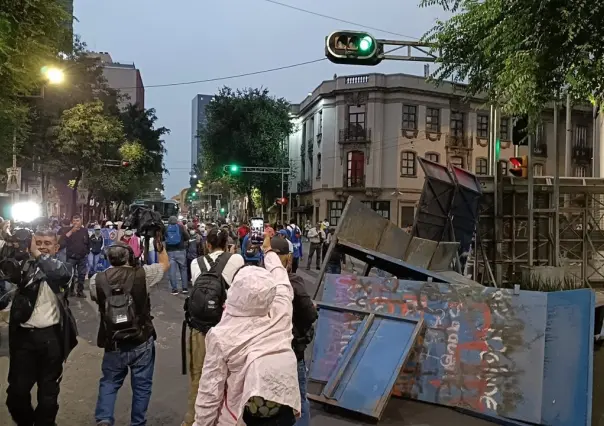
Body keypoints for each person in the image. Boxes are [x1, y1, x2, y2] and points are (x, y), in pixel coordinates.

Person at [193, 234, 300, 426]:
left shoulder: (222, 336)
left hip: (237, 418)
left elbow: (210, 391)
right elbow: (281, 279)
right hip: (282, 413)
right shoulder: (280, 313)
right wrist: (269, 252)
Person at [89, 239, 170, 426]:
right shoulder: (143, 275)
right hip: (141, 339)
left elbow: (97, 298)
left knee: (109, 381)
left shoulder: (96, 280)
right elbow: (165, 264)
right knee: (142, 386)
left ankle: (104, 418)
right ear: (130, 257)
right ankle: (137, 422)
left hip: (113, 340)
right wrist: (160, 247)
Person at [6, 229, 78, 426]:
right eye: (38, 242)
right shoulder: (24, 267)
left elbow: (60, 274)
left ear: (56, 248)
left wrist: (37, 255)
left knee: (48, 395)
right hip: (23, 338)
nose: (42, 246)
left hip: (51, 338)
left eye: (47, 243)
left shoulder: (63, 269)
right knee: (16, 393)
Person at [182, 228, 244, 426]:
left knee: (199, 377)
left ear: (207, 244)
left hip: (200, 329)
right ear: (227, 244)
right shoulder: (236, 260)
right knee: (229, 379)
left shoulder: (195, 263)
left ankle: (194, 418)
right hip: (227, 328)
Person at [270, 237, 317, 426]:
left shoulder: (257, 280)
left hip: (266, 353)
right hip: (291, 351)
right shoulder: (293, 282)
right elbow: (310, 314)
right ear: (287, 258)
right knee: (298, 400)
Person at [61, 214, 90, 297]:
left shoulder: (84, 230)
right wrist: (71, 231)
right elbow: (63, 240)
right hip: (71, 257)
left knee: (82, 275)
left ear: (81, 221)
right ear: (72, 222)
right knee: (71, 275)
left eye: (77, 221)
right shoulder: (68, 230)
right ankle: (71, 290)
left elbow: (87, 242)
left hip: (82, 257)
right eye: (74, 221)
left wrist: (87, 251)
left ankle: (80, 291)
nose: (76, 223)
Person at [166, 215, 190, 295]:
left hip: (170, 252)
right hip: (181, 250)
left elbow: (163, 239)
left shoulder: (166, 228)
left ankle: (174, 289)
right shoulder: (181, 227)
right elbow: (187, 237)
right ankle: (185, 288)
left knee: (172, 271)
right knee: (183, 269)